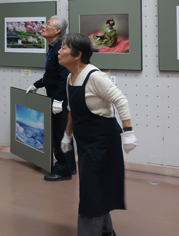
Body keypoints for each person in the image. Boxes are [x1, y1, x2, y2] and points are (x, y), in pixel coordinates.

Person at [58, 33, 137, 236]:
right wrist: (67, 136)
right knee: (96, 186)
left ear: (78, 54)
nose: (59, 51)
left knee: (91, 188)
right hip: (86, 142)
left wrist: (128, 132)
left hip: (103, 141)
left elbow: (121, 101)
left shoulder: (94, 76)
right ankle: (106, 231)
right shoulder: (70, 78)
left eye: (64, 47)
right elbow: (72, 110)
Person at [26, 16, 76, 181]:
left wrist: (59, 100)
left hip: (60, 98)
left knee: (60, 133)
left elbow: (64, 76)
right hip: (57, 96)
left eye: (48, 24)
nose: (43, 26)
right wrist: (37, 84)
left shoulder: (60, 48)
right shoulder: (54, 47)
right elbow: (52, 75)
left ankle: (62, 170)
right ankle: (70, 166)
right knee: (63, 131)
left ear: (57, 30)